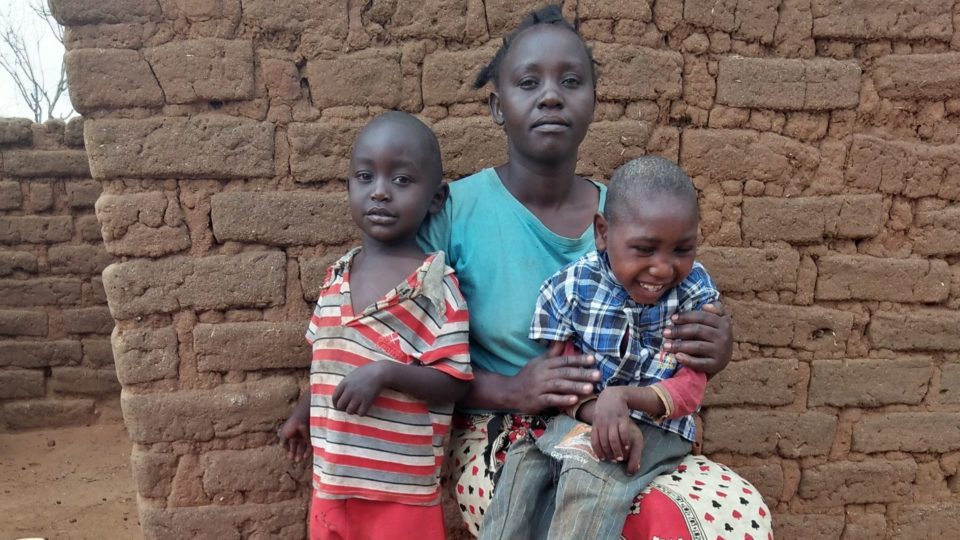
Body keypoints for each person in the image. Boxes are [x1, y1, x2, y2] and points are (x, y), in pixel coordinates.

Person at [418, 5, 773, 539]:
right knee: (611, 515)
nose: (552, 94)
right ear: (497, 105)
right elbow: (397, 349)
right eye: (529, 81)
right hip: (503, 428)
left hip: (624, 421)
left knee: (733, 514)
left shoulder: (636, 216)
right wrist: (509, 389)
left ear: (592, 100)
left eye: (571, 81)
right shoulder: (455, 214)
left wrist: (714, 350)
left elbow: (679, 325)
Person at [481, 156, 719, 540]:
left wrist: (625, 400)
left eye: (682, 250)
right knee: (525, 466)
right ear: (603, 233)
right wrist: (596, 409)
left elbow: (691, 389)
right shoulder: (574, 288)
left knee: (591, 475)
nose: (662, 268)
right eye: (644, 249)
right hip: (585, 414)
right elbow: (565, 372)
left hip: (661, 424)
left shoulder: (693, 293)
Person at [279, 111, 473, 540]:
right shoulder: (336, 276)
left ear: (436, 198)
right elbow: (326, 363)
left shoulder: (435, 287)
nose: (381, 192)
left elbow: (455, 382)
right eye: (365, 177)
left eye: (402, 180)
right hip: (333, 479)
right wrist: (303, 414)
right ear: (349, 186)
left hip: (400, 492)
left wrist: (386, 374)